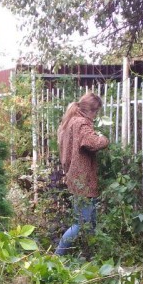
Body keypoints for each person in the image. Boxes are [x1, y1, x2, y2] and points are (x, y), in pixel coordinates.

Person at [55, 92, 109, 255]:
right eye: (96, 112)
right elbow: (93, 143)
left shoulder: (71, 121)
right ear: (92, 110)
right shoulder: (81, 124)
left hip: (77, 177)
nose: (96, 116)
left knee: (90, 223)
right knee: (81, 224)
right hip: (83, 180)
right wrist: (104, 138)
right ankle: (56, 257)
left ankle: (90, 257)